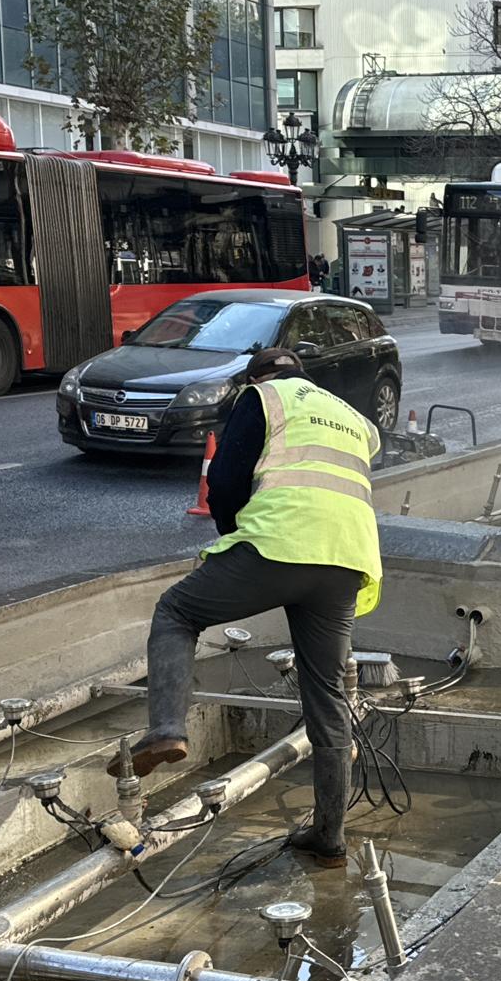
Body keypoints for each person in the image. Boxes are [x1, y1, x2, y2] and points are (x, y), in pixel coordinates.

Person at [109, 347, 382, 868]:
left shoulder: (262, 397)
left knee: (176, 612)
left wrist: (236, 543)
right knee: (326, 696)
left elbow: (227, 484)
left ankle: (167, 728)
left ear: (258, 377)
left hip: (278, 545)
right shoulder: (350, 416)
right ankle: (330, 836)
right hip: (347, 558)